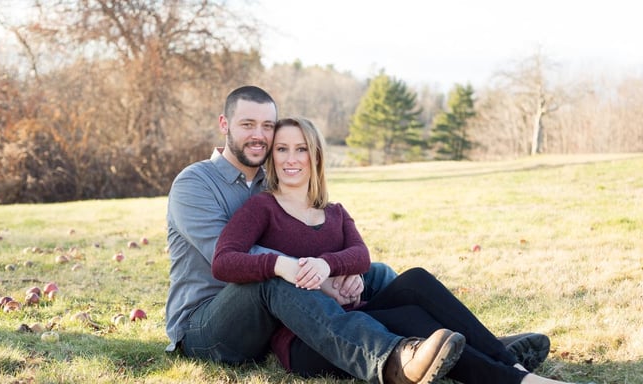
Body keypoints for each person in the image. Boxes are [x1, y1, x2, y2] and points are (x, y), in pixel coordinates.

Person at [165, 85, 549, 384]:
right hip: (209, 322)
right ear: (224, 124)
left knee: (379, 274)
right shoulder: (196, 183)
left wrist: (334, 270)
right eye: (248, 124)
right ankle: (391, 358)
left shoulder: (273, 178)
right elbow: (229, 259)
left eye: (267, 126)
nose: (260, 136)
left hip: (282, 311)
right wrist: (320, 278)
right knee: (274, 278)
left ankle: (477, 345)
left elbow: (338, 244)